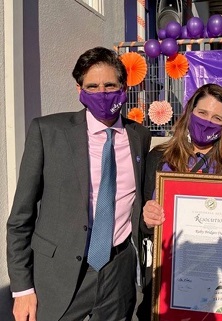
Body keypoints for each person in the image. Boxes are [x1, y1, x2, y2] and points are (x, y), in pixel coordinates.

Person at [6, 46, 151, 321]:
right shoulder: (47, 132)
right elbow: (20, 218)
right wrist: (22, 287)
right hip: (58, 275)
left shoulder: (139, 136)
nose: (102, 93)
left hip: (117, 273)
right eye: (92, 86)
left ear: (124, 87)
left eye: (110, 85)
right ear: (79, 89)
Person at [137, 83, 222, 319]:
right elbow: (143, 228)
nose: (208, 121)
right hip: (170, 280)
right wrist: (147, 218)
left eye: (217, 118)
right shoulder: (159, 159)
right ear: (189, 112)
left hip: (220, 289)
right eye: (202, 113)